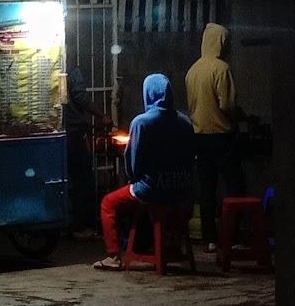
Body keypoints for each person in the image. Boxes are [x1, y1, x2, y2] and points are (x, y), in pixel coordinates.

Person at [93, 73, 195, 270]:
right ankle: (173, 246)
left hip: (152, 188)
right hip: (182, 188)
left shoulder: (142, 122)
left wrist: (134, 179)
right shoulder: (185, 122)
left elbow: (134, 163)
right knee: (168, 204)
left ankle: (113, 256)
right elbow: (190, 157)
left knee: (108, 203)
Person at [185, 22, 246, 253]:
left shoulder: (193, 71)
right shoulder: (221, 69)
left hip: (199, 136)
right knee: (235, 186)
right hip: (222, 136)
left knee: (207, 189)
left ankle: (210, 238)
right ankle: (233, 236)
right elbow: (227, 104)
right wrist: (239, 117)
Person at [64, 66, 113, 240]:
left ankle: (71, 222)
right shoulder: (72, 69)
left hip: (60, 132)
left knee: (69, 180)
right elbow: (81, 97)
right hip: (74, 132)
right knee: (83, 179)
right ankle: (81, 226)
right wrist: (102, 115)